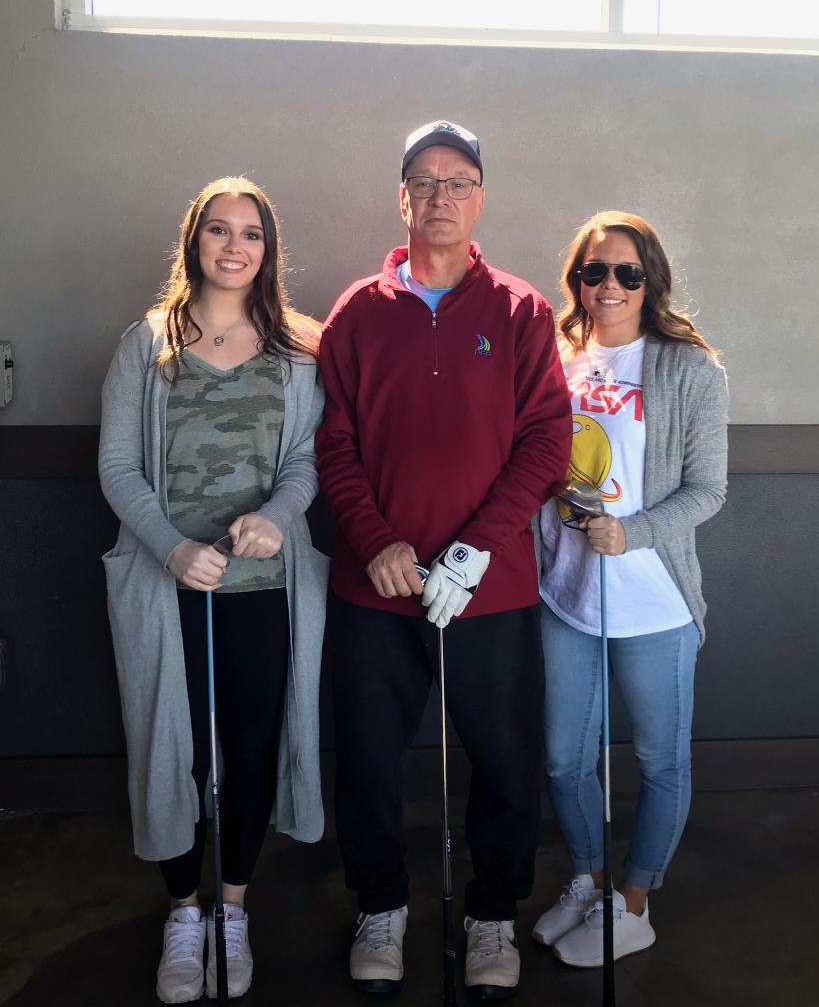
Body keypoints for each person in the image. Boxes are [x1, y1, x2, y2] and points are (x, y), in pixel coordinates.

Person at [316, 120, 572, 998]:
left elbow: (545, 443)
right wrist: (375, 538)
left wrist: (474, 548)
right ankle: (380, 904)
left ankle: (492, 915)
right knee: (370, 755)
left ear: (479, 198)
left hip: (490, 588)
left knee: (503, 758)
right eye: (423, 182)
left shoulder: (521, 309)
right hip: (375, 586)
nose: (439, 197)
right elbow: (335, 443)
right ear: (402, 199)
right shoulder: (357, 311)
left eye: (457, 181)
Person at [98, 176, 328, 1003]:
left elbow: (305, 460)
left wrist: (277, 514)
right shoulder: (146, 344)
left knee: (254, 744)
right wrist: (168, 549)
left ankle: (231, 907)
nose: (236, 247)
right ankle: (183, 915)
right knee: (176, 746)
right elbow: (119, 466)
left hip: (266, 588)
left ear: (269, 250)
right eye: (219, 231)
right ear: (194, 241)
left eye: (253, 234)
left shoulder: (298, 350)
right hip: (170, 591)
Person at [531, 210, 728, 968]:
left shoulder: (687, 368)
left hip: (653, 600)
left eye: (626, 272)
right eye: (594, 271)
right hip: (567, 594)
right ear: (576, 280)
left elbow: (708, 490)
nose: (608, 285)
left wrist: (632, 531)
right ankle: (585, 883)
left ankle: (635, 902)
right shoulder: (555, 356)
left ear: (650, 281)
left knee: (659, 762)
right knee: (564, 759)